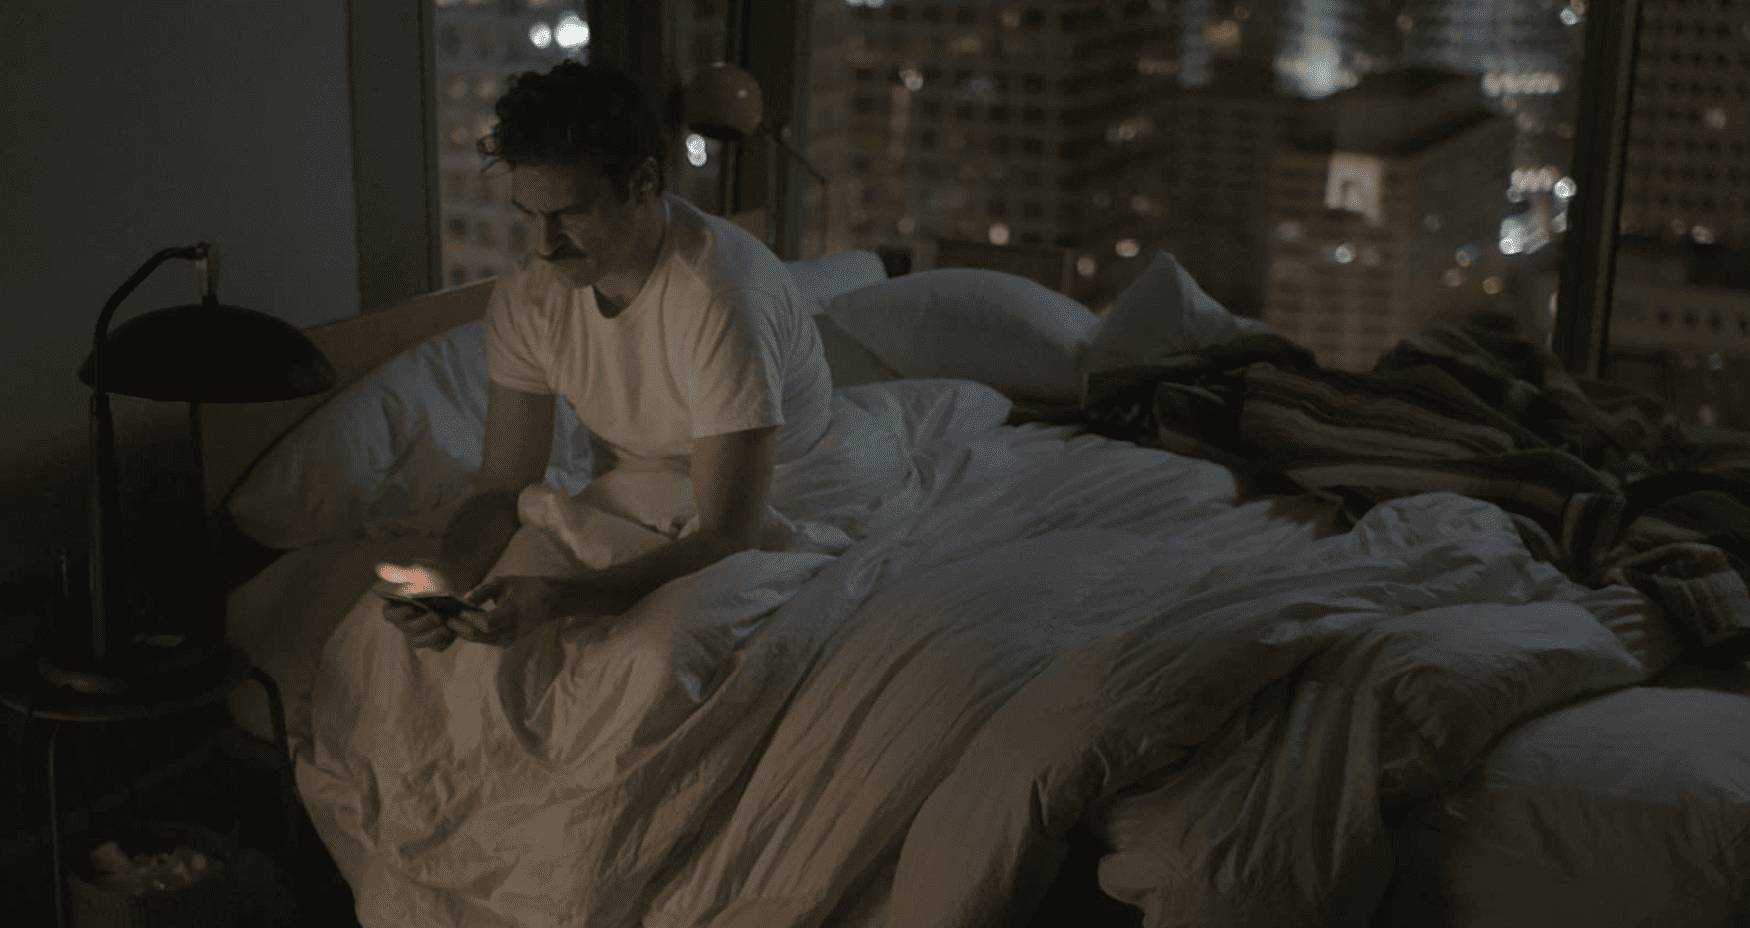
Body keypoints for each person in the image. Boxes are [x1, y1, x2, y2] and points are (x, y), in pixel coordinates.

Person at [382, 60, 832, 651]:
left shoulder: (719, 297)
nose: (544, 245)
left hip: (778, 490)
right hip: (641, 494)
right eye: (529, 214)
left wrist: (564, 598)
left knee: (658, 646)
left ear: (643, 184)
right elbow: (502, 487)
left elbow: (730, 535)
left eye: (569, 213)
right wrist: (447, 576)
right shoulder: (529, 295)